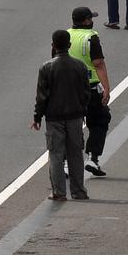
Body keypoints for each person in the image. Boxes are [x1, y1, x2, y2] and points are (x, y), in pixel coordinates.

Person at [33, 30, 92, 202]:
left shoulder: (46, 67)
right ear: (70, 45)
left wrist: (37, 117)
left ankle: (59, 192)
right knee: (75, 153)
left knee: (56, 154)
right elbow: (86, 93)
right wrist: (83, 110)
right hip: (75, 116)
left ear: (53, 45)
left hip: (54, 117)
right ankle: (79, 191)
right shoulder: (80, 66)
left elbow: (42, 96)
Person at [67, 7, 112, 177]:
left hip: (68, 88)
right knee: (100, 120)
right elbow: (98, 63)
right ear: (86, 21)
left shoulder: (66, 34)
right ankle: (92, 158)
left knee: (71, 124)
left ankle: (66, 162)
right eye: (90, 18)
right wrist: (106, 87)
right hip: (90, 87)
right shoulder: (91, 37)